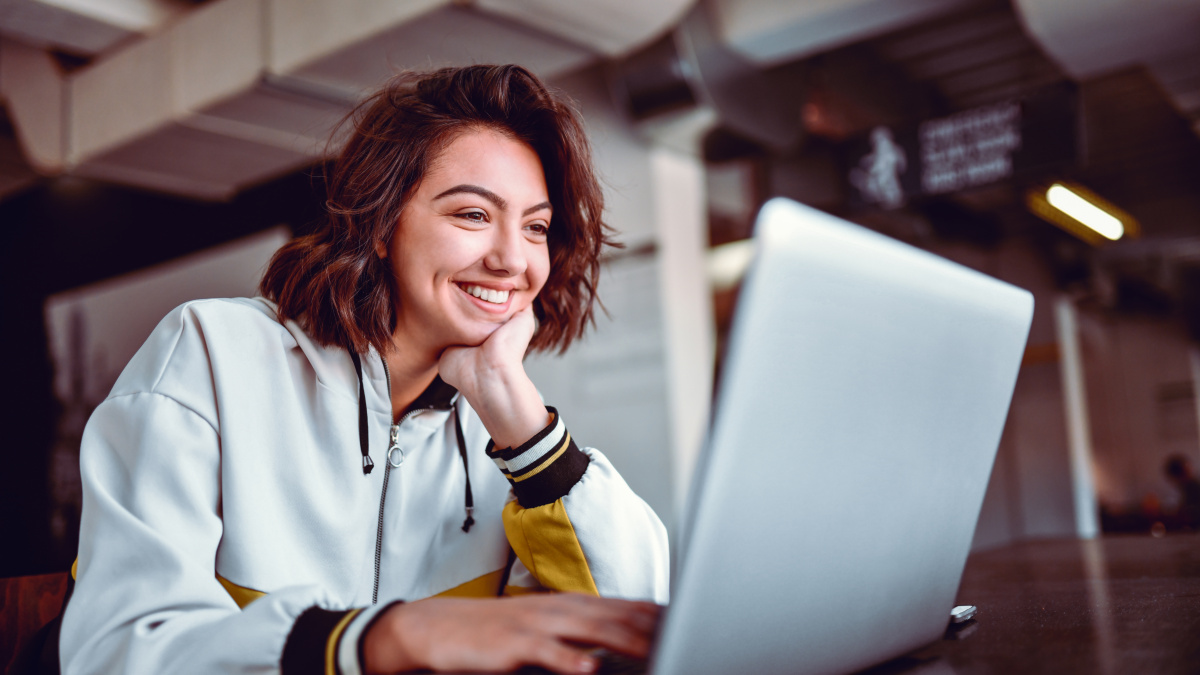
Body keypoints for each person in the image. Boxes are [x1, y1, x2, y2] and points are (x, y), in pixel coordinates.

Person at [60, 65, 669, 675]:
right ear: (382, 223)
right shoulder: (211, 352)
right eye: (473, 215)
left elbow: (632, 619)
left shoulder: (504, 427)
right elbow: (117, 652)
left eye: (535, 226)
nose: (513, 259)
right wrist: (376, 639)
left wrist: (514, 409)